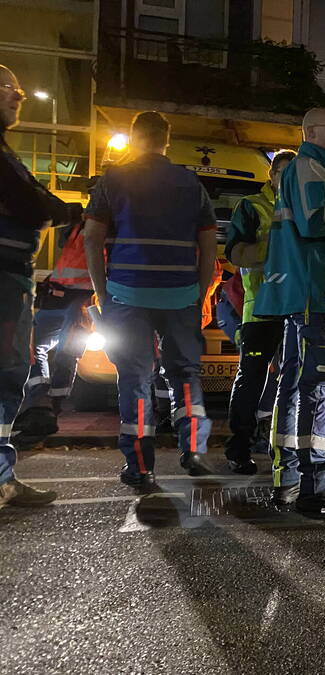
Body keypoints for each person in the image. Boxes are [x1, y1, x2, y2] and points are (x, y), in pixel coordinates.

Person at [83, 111, 218, 488]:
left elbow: (92, 239)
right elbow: (208, 245)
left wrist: (102, 291)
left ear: (134, 136)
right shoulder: (191, 184)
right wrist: (199, 291)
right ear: (166, 140)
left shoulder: (113, 179)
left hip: (127, 293)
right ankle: (193, 448)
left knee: (136, 377)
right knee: (186, 374)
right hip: (180, 295)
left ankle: (140, 466)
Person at [254, 108, 325, 516]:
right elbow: (319, 221)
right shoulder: (308, 168)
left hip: (309, 299)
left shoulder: (311, 169)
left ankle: (294, 480)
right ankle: (316, 483)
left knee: (299, 390)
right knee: (318, 391)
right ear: (313, 131)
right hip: (316, 300)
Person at [0, 64, 69, 508]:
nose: (18, 96)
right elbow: (31, 201)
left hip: (12, 275)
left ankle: (3, 476)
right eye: (7, 89)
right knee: (6, 376)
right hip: (4, 276)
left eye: (18, 89)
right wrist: (61, 209)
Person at [223, 148, 296, 474]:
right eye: (281, 173)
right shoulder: (251, 207)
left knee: (293, 381)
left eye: (292, 174)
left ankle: (283, 445)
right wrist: (277, 246)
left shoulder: (306, 210)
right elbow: (236, 253)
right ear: (272, 176)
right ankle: (239, 448)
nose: (286, 179)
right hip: (262, 308)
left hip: (297, 309)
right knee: (251, 380)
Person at [15, 221, 93, 436]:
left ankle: (51, 408)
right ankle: (39, 402)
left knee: (66, 353)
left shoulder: (114, 227)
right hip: (57, 294)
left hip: (83, 300)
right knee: (31, 347)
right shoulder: (78, 224)